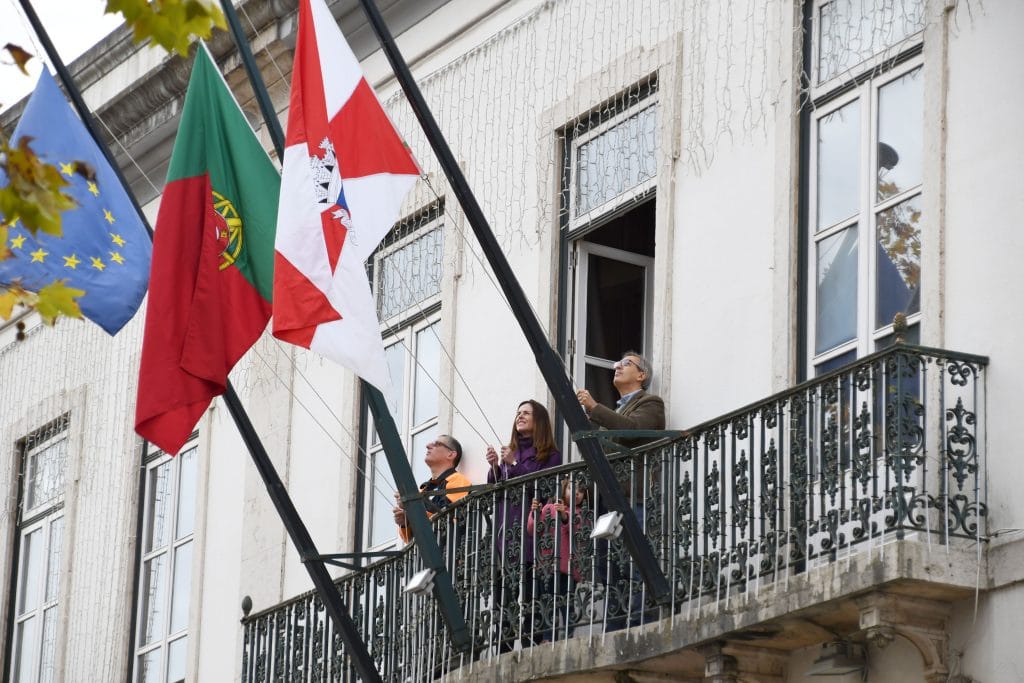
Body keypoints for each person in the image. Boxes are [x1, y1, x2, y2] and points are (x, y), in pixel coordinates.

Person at [576, 351, 665, 632]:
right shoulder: (613, 413)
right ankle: (615, 626)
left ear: (642, 375)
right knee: (608, 567)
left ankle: (641, 622)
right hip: (608, 499)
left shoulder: (650, 403)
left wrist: (594, 408)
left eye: (626, 363)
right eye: (616, 362)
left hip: (632, 496)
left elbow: (633, 429)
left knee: (634, 561)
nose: (617, 366)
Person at [484, 399, 562, 651]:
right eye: (518, 413)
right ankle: (503, 647)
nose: (520, 416)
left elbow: (544, 488)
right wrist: (495, 467)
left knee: (530, 592)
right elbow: (497, 489)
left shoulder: (550, 454)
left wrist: (514, 466)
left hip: (531, 532)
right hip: (505, 531)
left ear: (538, 420)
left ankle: (532, 644)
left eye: (526, 413)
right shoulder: (512, 452)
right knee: (503, 594)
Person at [527, 479, 589, 642]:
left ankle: (569, 635)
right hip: (546, 566)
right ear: (563, 489)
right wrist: (535, 512)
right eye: (571, 488)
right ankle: (548, 638)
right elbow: (533, 528)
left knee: (566, 604)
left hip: (567, 569)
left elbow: (577, 528)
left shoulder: (579, 514)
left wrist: (563, 515)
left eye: (580, 491)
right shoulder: (548, 508)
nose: (576, 492)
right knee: (548, 605)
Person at [393, 434, 471, 544]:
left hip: (450, 554)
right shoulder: (423, 490)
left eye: (437, 444)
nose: (428, 445)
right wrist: (404, 521)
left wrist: (411, 506)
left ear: (451, 454)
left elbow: (446, 514)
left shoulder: (458, 480)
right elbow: (408, 539)